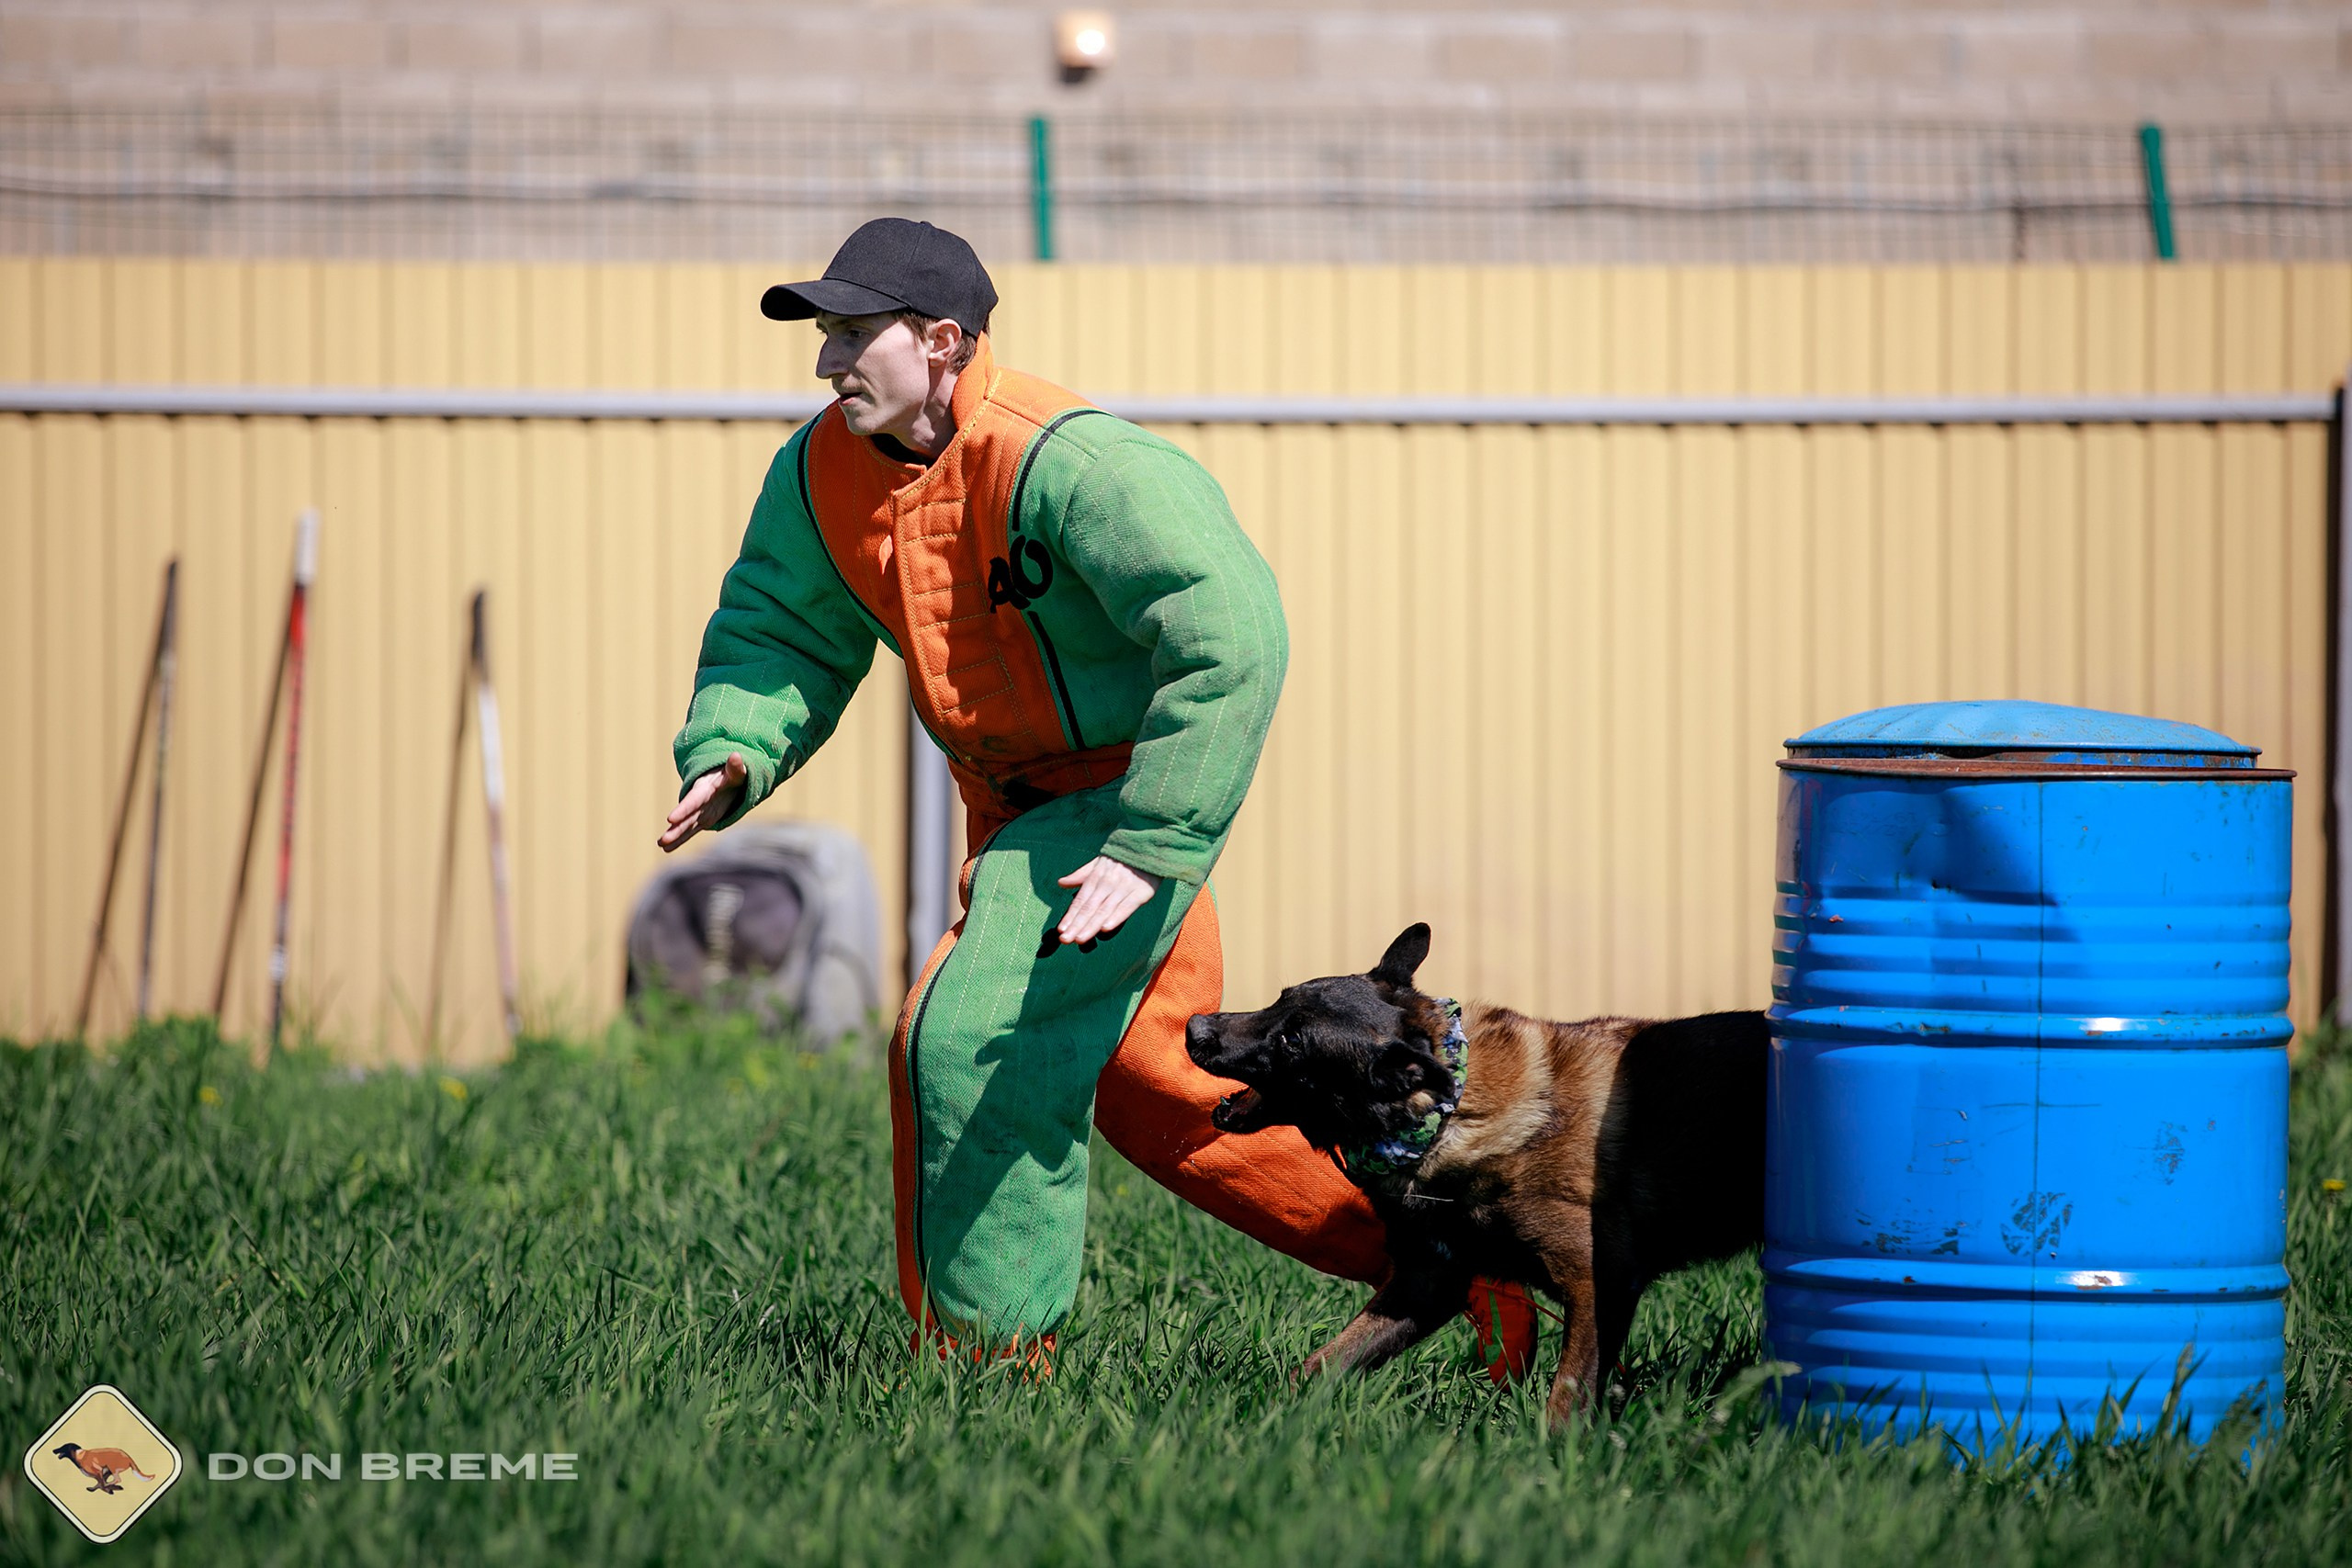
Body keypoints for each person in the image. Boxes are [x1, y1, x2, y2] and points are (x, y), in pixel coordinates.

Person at [662, 217, 1533, 1373]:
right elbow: (781, 624)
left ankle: (989, 1372)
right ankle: (1465, 1270)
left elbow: (1230, 634)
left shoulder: (1071, 462)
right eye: (825, 335)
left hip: (1120, 807)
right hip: (1015, 813)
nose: (827, 362)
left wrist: (1152, 838)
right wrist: (735, 747)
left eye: (852, 334)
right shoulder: (818, 472)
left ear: (939, 342)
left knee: (967, 1039)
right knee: (1167, 1098)